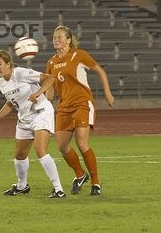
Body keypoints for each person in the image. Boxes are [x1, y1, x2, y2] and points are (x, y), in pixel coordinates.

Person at [0, 49, 66, 198]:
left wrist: (38, 93)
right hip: (24, 118)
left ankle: (58, 189)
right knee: (20, 155)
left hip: (41, 112)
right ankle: (22, 186)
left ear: (8, 64)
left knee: (40, 150)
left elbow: (50, 78)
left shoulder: (20, 73)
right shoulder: (2, 83)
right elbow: (11, 103)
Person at [45, 25, 114, 196]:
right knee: (62, 146)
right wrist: (45, 102)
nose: (56, 40)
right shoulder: (51, 62)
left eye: (60, 37)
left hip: (82, 103)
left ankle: (96, 183)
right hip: (64, 107)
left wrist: (107, 93)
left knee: (82, 143)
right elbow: (50, 87)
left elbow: (100, 71)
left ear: (69, 40)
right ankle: (80, 174)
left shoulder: (78, 55)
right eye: (54, 37)